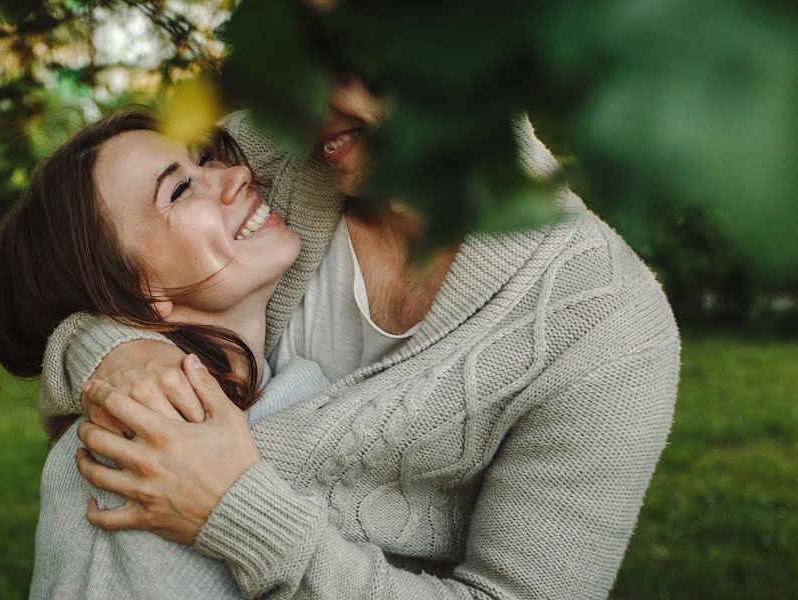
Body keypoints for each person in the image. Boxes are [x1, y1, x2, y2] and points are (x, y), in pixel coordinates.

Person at [35, 79, 680, 599]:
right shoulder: (264, 153)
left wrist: (244, 517)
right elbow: (107, 268)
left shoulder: (609, 326)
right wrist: (117, 348)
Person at [0, 111, 332, 598]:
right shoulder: (124, 465)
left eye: (206, 158)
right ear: (135, 291)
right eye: (179, 191)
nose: (239, 174)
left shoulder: (300, 389)